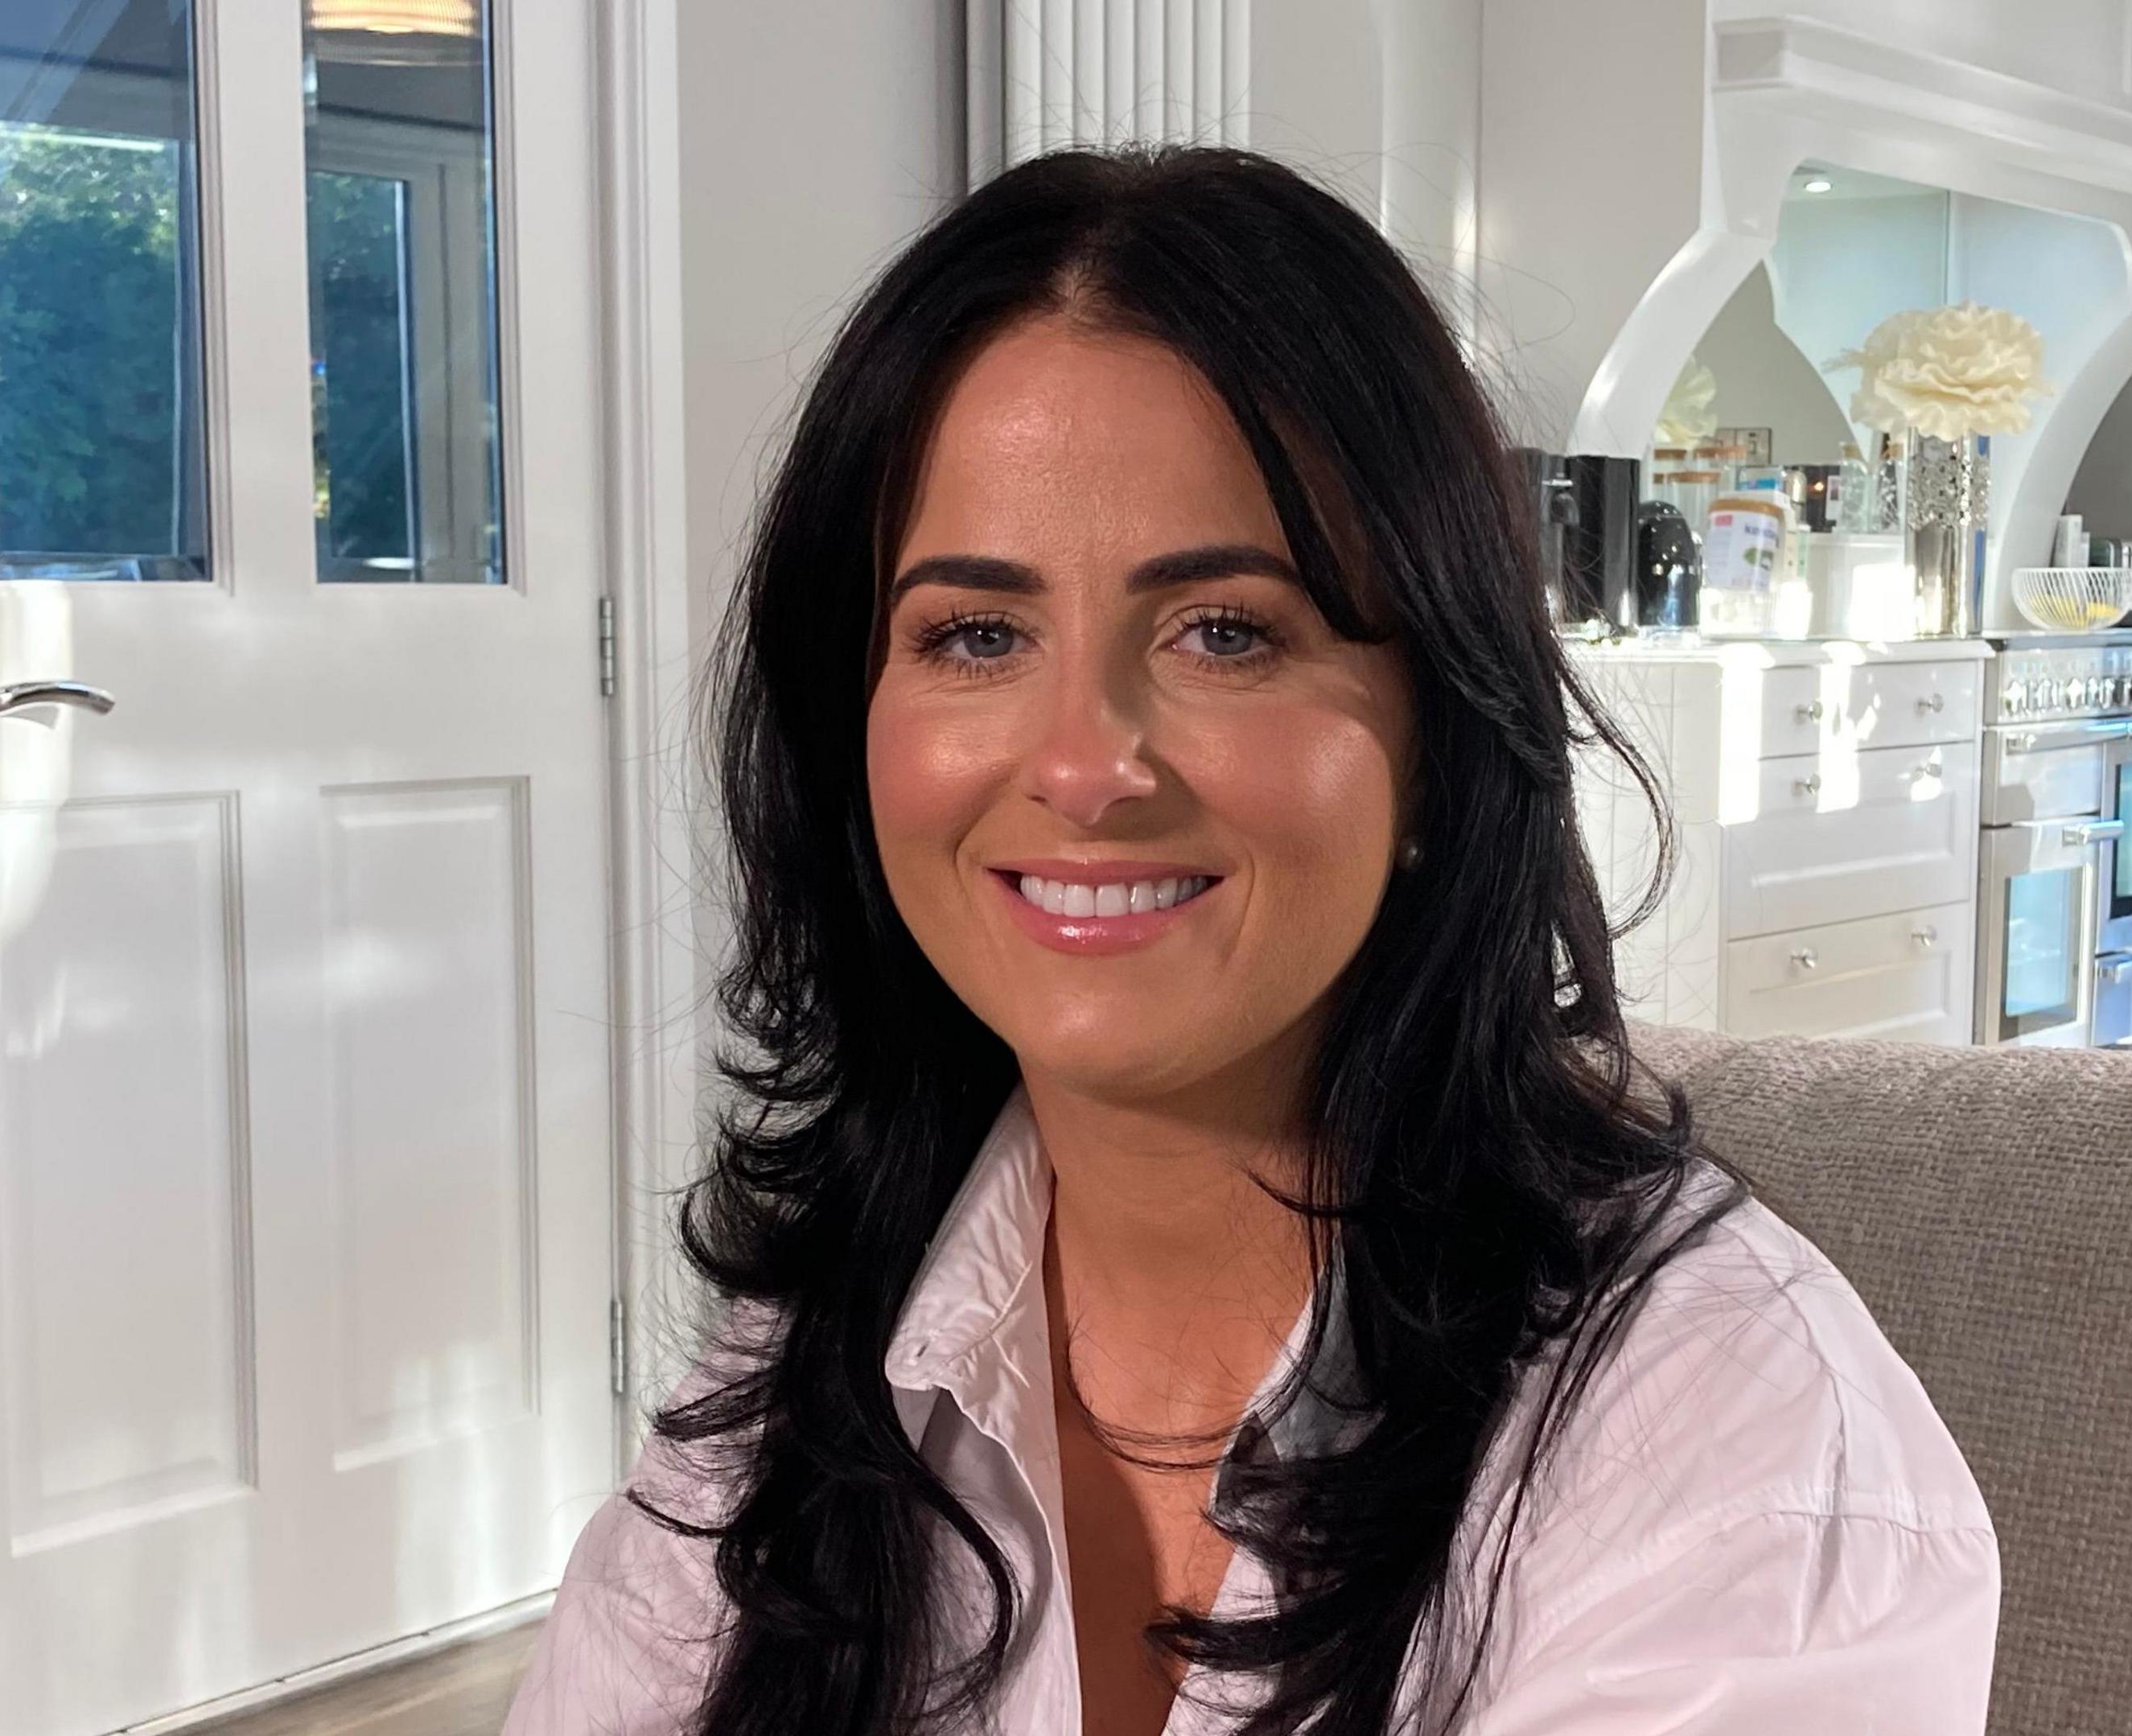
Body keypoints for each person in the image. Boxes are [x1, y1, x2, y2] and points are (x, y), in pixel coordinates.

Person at [503, 146, 1998, 1736]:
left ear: (1439, 725)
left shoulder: (1729, 1449)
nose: (1083, 765)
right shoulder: (817, 1346)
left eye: (1226, 630)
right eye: (975, 633)